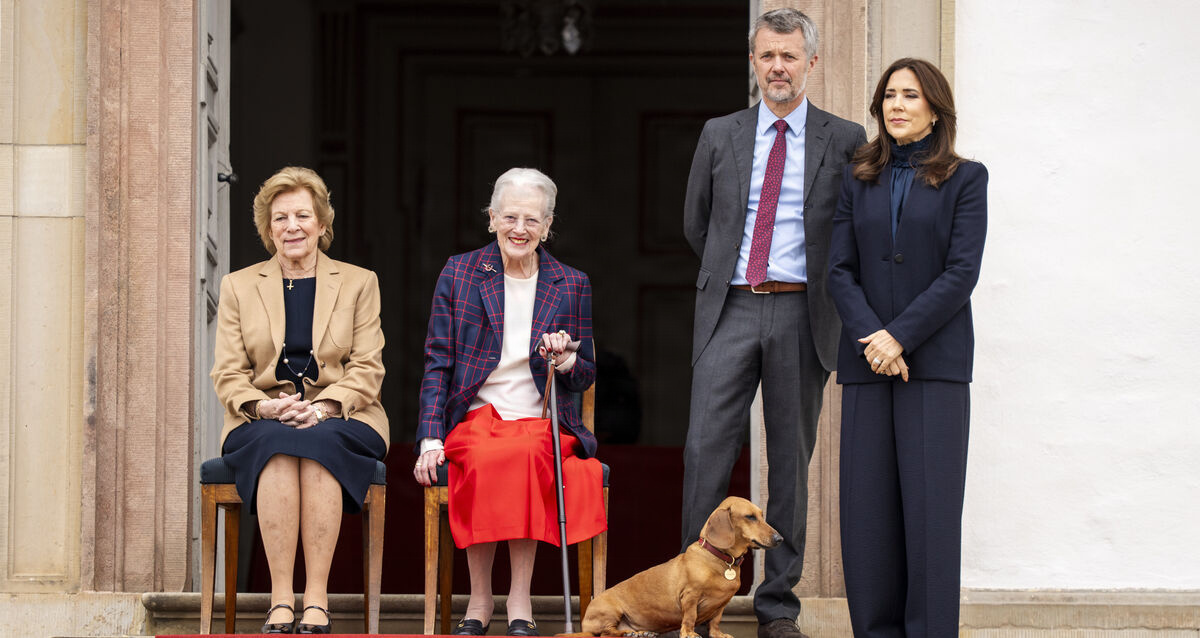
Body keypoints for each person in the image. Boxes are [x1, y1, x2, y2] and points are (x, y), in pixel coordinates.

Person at [680, 9, 866, 638]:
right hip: (729, 305)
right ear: (753, 62)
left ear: (811, 62)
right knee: (707, 451)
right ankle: (695, 605)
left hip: (801, 309)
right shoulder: (719, 132)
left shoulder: (844, 138)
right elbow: (696, 223)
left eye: (789, 56)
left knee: (789, 462)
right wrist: (733, 273)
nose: (777, 67)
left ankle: (777, 608)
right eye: (767, 56)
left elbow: (854, 228)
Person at [827, 58, 987, 637]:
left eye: (910, 95)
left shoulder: (967, 179)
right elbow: (839, 270)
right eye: (889, 95)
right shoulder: (857, 175)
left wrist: (900, 336)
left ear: (935, 108)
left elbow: (961, 272)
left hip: (935, 368)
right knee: (867, 518)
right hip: (868, 365)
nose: (896, 105)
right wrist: (875, 339)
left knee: (929, 517)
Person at [414, 167, 606, 637]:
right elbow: (437, 362)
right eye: (510, 217)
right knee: (484, 455)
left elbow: (585, 374)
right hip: (477, 416)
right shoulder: (459, 273)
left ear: (548, 224)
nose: (520, 229)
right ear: (492, 218)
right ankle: (480, 596)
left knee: (525, 453)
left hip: (542, 421)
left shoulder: (571, 282)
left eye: (532, 220)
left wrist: (563, 360)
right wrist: (429, 437)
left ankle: (519, 595)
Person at [211, 166, 388, 634]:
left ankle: (316, 597)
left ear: (322, 223)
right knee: (276, 441)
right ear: (268, 229)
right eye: (280, 218)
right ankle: (281, 596)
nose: (292, 226)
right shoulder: (238, 286)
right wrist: (265, 406)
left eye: (303, 216)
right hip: (263, 415)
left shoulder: (358, 282)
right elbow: (228, 374)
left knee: (319, 442)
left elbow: (368, 367)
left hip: (345, 413)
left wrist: (325, 406)